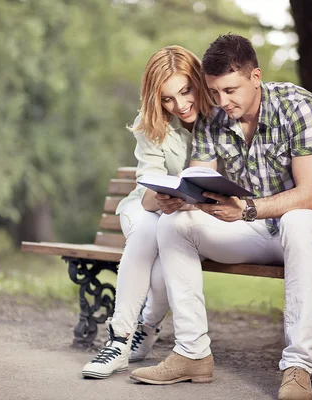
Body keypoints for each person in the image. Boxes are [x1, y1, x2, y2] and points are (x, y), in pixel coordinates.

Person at [130, 34, 312, 400]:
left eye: (230, 90)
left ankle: (297, 368)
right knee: (175, 225)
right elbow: (199, 180)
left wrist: (247, 209)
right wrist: (181, 199)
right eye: (214, 92)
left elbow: (310, 196)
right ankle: (192, 352)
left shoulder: (298, 106)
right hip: (257, 229)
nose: (221, 102)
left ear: (256, 76)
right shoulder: (213, 119)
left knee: (297, 221)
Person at [81, 45, 213, 379]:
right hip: (144, 207)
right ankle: (119, 339)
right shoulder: (151, 121)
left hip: (192, 217)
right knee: (150, 231)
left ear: (198, 81)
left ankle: (147, 326)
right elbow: (148, 189)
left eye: (185, 91)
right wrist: (168, 199)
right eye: (168, 98)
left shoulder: (219, 118)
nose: (179, 105)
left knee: (168, 241)